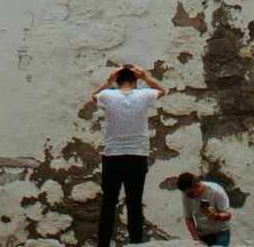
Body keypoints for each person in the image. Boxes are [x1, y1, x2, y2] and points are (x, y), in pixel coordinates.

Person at [88, 62, 165, 247]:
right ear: (135, 80)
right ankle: (136, 243)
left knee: (108, 203)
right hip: (137, 155)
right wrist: (146, 78)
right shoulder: (143, 95)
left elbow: (94, 95)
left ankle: (103, 244)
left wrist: (108, 81)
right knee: (134, 203)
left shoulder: (108, 95)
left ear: (117, 80)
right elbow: (162, 90)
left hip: (113, 155)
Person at [176, 170, 233, 247]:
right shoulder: (186, 195)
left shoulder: (216, 191)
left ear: (197, 185)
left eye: (191, 193)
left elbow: (228, 215)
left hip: (221, 232)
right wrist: (196, 238)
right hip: (203, 234)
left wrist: (215, 216)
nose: (188, 196)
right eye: (186, 193)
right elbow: (188, 218)